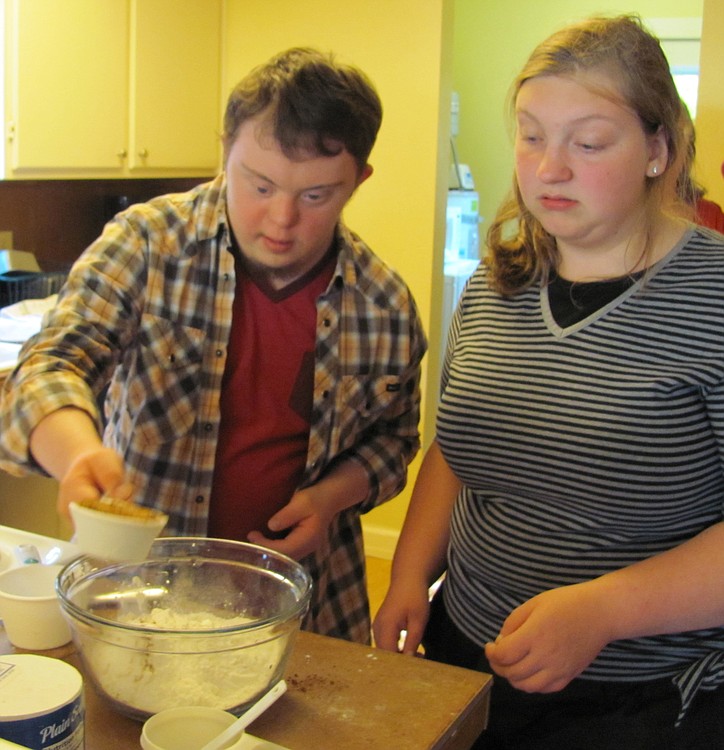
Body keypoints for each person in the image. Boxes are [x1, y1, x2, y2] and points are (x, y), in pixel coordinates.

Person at [374, 14, 724, 748]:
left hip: (640, 699)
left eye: (588, 142)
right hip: (464, 652)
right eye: (531, 135)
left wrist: (605, 611)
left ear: (659, 148)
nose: (548, 168)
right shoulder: (495, 284)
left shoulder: (712, 297)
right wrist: (410, 574)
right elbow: (459, 445)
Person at [0, 47, 427, 645]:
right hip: (139, 596)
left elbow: (395, 440)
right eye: (258, 184)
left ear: (358, 180)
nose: (280, 220)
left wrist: (330, 499)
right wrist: (75, 456)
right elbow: (52, 364)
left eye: (316, 196)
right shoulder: (146, 245)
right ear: (225, 148)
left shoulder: (385, 307)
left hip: (310, 605)